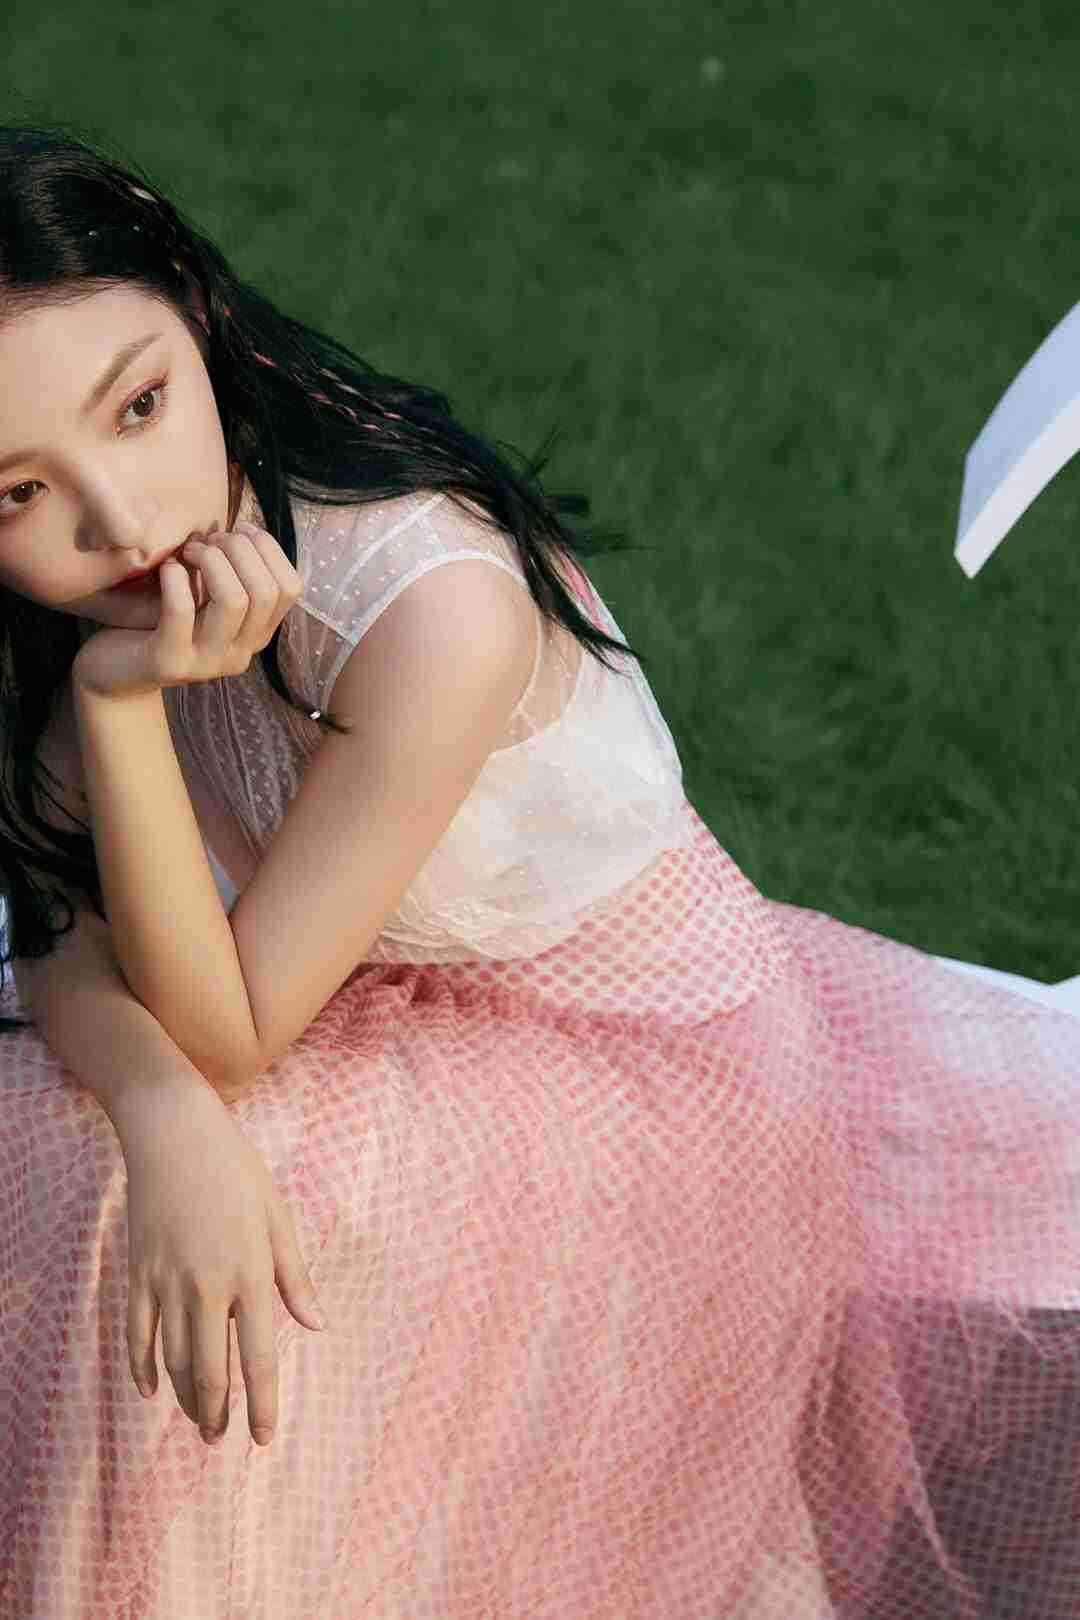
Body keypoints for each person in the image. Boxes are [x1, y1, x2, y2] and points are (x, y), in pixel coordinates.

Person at [0, 125, 1077, 1620]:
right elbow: (63, 942)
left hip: (627, 1058)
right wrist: (165, 1109)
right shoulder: (133, 590)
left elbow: (229, 1031)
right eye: (16, 495)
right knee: (97, 1143)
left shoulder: (427, 607)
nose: (120, 519)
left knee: (166, 1199)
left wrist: (122, 715)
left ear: (192, 303)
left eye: (138, 406)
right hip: (344, 1010)